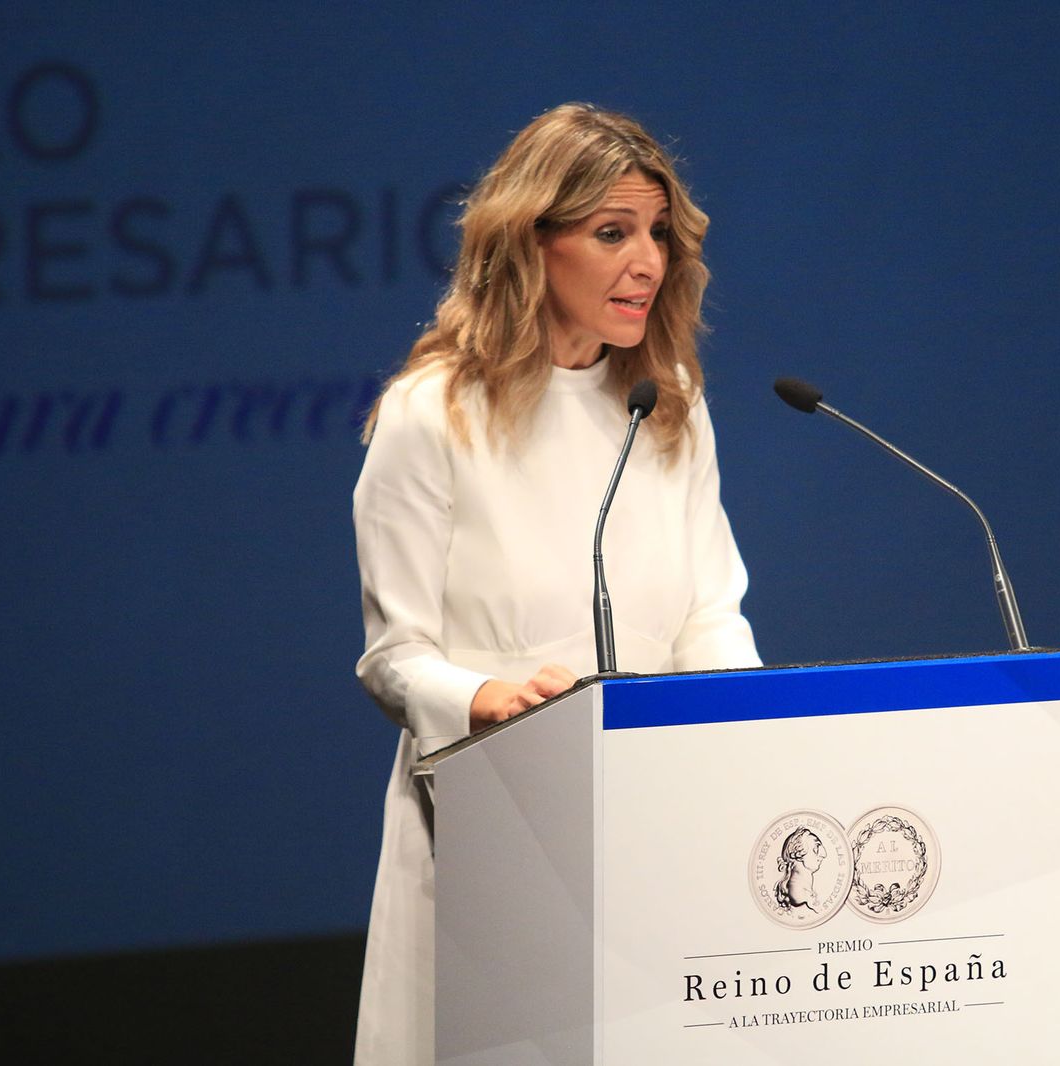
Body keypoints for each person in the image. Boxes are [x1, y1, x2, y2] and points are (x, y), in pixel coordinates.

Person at [349, 103, 761, 1065]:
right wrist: (481, 697)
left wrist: (748, 720)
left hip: (658, 823)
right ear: (531, 245)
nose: (648, 262)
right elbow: (393, 657)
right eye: (612, 233)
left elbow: (710, 610)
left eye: (659, 234)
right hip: (497, 817)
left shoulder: (669, 405)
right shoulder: (433, 413)